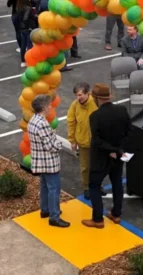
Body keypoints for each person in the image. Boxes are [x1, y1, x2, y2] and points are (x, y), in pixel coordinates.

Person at [82, 84, 132, 229]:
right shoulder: (122, 110)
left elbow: (97, 140)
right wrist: (118, 150)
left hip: (101, 158)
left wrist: (110, 150)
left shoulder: (95, 116)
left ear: (96, 98)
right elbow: (130, 132)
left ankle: (97, 219)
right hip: (118, 156)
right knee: (117, 183)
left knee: (94, 185)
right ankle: (116, 214)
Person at [27, 95, 70, 228]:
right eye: (49, 105)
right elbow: (50, 146)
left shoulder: (32, 121)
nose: (50, 107)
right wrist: (59, 144)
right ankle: (54, 216)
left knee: (44, 187)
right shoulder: (43, 124)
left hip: (39, 161)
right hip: (49, 163)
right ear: (44, 108)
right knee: (54, 189)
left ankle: (45, 210)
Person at [67, 83, 102, 200]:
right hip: (83, 142)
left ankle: (98, 185)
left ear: (88, 93)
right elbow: (71, 123)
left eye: (80, 95)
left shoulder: (96, 103)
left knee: (98, 165)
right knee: (85, 167)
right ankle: (87, 187)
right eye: (76, 95)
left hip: (97, 142)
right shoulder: (74, 106)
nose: (78, 98)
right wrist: (72, 140)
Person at [17, 0, 36, 67]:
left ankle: (23, 61)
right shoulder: (28, 8)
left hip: (22, 28)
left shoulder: (19, 6)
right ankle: (30, 60)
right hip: (28, 28)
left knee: (23, 45)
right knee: (29, 45)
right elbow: (26, 18)